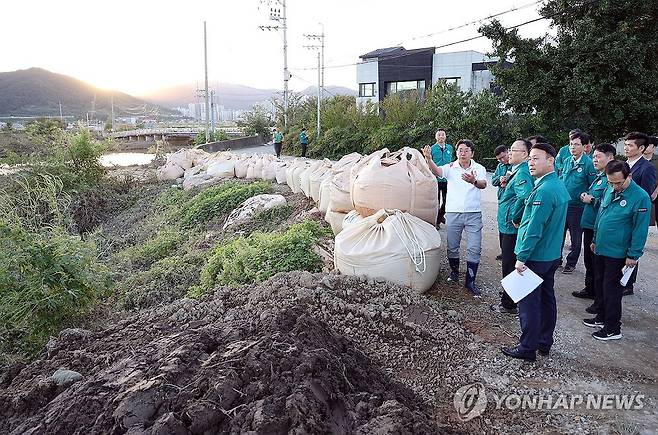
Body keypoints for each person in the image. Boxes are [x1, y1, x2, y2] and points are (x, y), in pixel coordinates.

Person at [501, 143, 570, 361]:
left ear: (550, 161)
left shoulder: (545, 190)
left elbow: (534, 227)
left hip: (537, 256)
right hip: (550, 255)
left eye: (536, 158)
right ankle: (543, 341)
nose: (531, 162)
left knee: (529, 301)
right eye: (530, 158)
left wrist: (521, 257)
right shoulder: (557, 185)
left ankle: (527, 347)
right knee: (547, 298)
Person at [584, 160, 651, 341]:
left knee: (612, 290)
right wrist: (595, 239)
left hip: (619, 252)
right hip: (601, 248)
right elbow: (601, 215)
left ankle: (613, 328)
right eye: (610, 182)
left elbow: (640, 229)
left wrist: (633, 255)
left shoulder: (640, 197)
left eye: (618, 183)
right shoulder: (609, 189)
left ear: (629, 176)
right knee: (600, 284)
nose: (614, 186)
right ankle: (601, 316)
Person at [423, 139, 487, 296]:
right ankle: (454, 272)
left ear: (472, 153)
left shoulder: (479, 168)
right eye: (459, 150)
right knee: (452, 246)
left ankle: (470, 280)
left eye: (466, 150)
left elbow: (483, 184)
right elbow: (438, 172)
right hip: (453, 213)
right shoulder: (451, 167)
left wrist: (474, 181)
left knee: (474, 247)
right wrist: (429, 159)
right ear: (456, 152)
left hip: (473, 214)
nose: (462, 153)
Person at [491, 139, 533, 315]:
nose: (510, 153)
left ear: (524, 154)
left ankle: (509, 304)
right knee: (508, 262)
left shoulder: (522, 173)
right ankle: (510, 296)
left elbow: (525, 198)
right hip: (506, 224)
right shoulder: (515, 171)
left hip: (511, 226)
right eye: (510, 149)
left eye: (514, 150)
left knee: (509, 263)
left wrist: (515, 217)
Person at [572, 143, 616, 305]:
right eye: (594, 156)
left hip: (598, 228)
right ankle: (590, 289)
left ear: (610, 158)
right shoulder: (599, 176)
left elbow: (609, 205)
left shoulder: (610, 179)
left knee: (598, 266)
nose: (594, 160)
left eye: (598, 157)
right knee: (589, 262)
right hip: (589, 224)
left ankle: (598, 299)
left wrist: (592, 200)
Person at [622, 132, 657, 295]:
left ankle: (628, 283)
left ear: (641, 148)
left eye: (630, 145)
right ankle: (620, 278)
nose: (626, 148)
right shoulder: (623, 164)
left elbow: (646, 195)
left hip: (634, 214)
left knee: (632, 247)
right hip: (619, 214)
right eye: (626, 144)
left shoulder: (647, 168)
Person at [558, 131, 597, 274]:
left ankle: (571, 262)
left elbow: (593, 185)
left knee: (575, 238)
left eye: (576, 144)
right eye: (571, 144)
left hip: (578, 207)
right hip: (564, 204)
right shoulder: (567, 161)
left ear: (585, 146)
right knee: (559, 234)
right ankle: (557, 259)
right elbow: (562, 179)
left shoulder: (589, 164)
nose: (572, 147)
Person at [430, 129, 454, 227]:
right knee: (437, 201)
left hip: (447, 178)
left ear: (445, 136)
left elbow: (451, 161)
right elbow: (428, 163)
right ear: (436, 137)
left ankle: (440, 215)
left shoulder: (449, 148)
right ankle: (437, 221)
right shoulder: (432, 148)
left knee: (447, 201)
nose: (441, 137)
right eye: (439, 135)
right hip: (435, 178)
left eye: (442, 135)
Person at [491, 145, 512, 260]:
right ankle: (503, 251)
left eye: (503, 157)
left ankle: (510, 253)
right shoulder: (500, 166)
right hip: (501, 200)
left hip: (511, 200)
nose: (502, 160)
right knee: (501, 225)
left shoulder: (515, 165)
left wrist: (507, 181)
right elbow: (493, 180)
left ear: (508, 152)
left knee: (509, 227)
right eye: (499, 159)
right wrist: (500, 179)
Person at [644, 136, 658, 226]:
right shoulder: (638, 160)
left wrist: (656, 191)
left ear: (654, 147)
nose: (646, 147)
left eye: (648, 145)